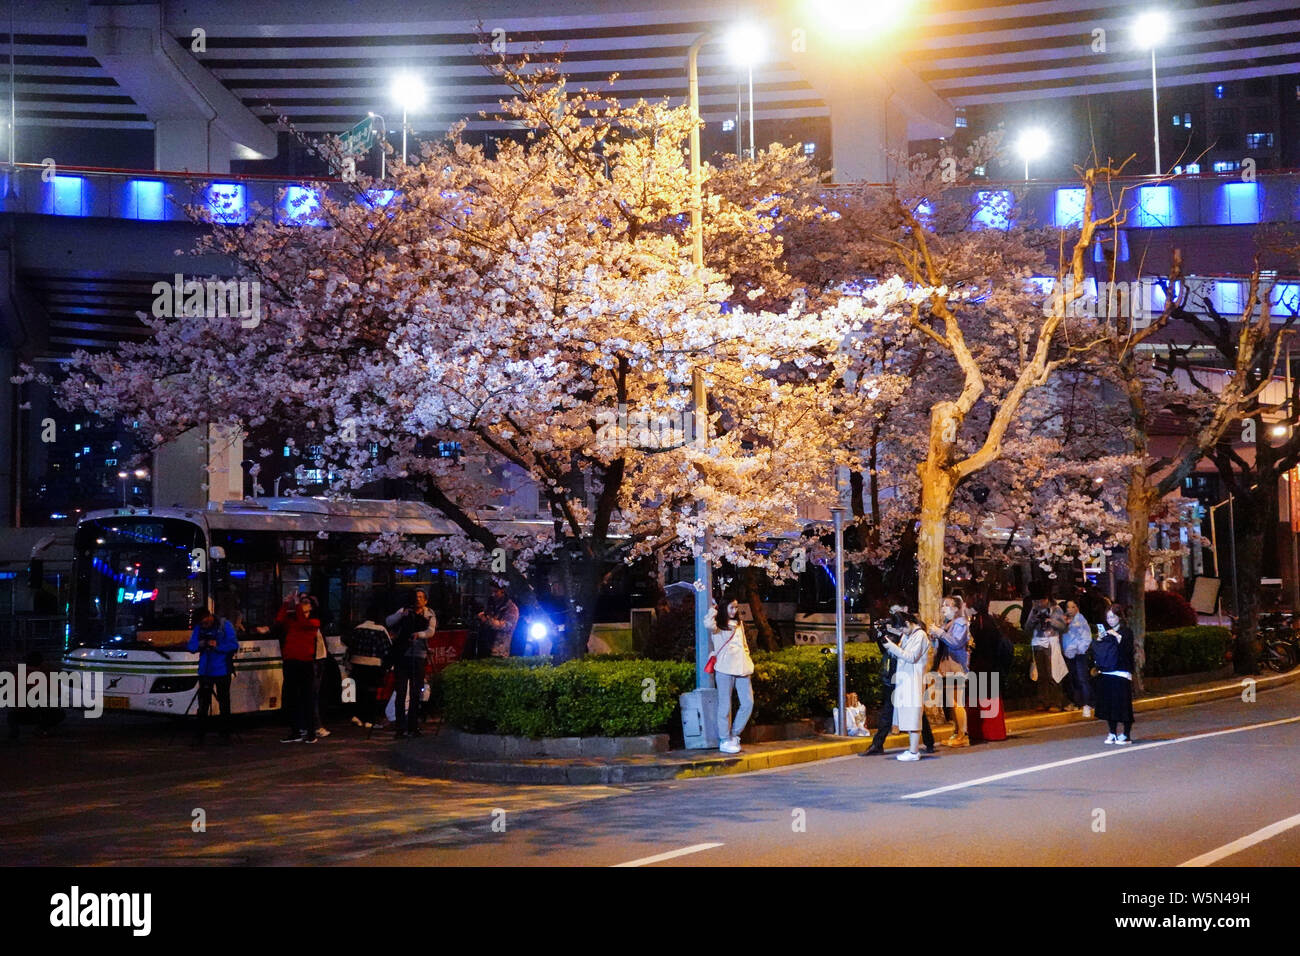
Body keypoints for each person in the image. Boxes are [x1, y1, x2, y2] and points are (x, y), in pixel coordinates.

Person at [867, 605, 935, 755]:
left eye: (902, 629)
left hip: (913, 679)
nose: (901, 632)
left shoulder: (920, 635)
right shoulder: (909, 634)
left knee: (914, 716)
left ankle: (913, 751)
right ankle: (915, 749)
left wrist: (891, 646)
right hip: (904, 678)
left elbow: (910, 657)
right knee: (913, 715)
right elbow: (898, 652)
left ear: (908, 622)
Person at [706, 596, 754, 754]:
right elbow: (707, 624)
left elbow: (744, 645)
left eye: (736, 607)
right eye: (731, 607)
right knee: (725, 707)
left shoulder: (739, 624)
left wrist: (747, 658)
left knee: (748, 703)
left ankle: (734, 734)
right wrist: (713, 611)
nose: (735, 610)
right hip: (725, 669)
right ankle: (724, 739)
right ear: (724, 608)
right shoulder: (718, 626)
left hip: (742, 668)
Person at [387, 590, 436, 738]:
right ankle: (400, 728)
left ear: (426, 601)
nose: (418, 600)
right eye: (416, 597)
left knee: (416, 693)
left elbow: (431, 631)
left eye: (421, 597)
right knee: (401, 692)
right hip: (402, 655)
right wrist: (402, 614)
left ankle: (413, 726)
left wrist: (419, 635)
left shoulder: (429, 614)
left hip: (418, 656)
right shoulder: (405, 611)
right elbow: (389, 621)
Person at [188, 608, 239, 744]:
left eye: (205, 623)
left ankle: (225, 734)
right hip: (205, 671)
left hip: (222, 670)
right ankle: (200, 735)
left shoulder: (225, 625)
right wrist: (203, 643)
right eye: (202, 624)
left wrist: (217, 646)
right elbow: (191, 646)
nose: (204, 626)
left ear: (209, 616)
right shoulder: (199, 628)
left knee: (224, 703)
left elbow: (233, 645)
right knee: (203, 705)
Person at [276, 593, 322, 743]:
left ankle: (310, 732)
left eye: (306, 602)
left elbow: (303, 622)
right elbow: (279, 621)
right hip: (291, 662)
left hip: (305, 663)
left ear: (312, 607)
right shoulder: (293, 621)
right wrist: (285, 603)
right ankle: (295, 731)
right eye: (301, 602)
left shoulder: (314, 622)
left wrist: (295, 605)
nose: (302, 604)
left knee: (307, 698)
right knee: (292, 698)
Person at [930, 594, 971, 747]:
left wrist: (939, 633)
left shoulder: (960, 623)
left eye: (946, 605)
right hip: (946, 667)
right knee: (951, 702)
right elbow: (940, 646)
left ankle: (963, 735)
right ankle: (957, 732)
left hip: (956, 667)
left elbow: (955, 643)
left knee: (956, 702)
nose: (943, 608)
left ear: (955, 608)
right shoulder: (948, 623)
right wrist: (935, 637)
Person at [343, 603, 392, 730]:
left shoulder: (358, 628)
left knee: (358, 691)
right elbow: (387, 650)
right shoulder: (381, 630)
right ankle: (369, 720)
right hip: (374, 665)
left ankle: (356, 716)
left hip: (357, 664)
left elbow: (350, 645)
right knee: (371, 692)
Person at [965, 599, 1008, 742]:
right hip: (992, 665)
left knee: (981, 699)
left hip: (981, 665)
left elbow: (976, 646)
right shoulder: (990, 621)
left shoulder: (978, 624)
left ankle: (984, 732)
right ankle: (995, 732)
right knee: (990, 698)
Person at [1093, 604, 1136, 744]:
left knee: (1122, 705)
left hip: (1122, 673)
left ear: (1119, 617)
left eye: (1113, 617)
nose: (1110, 620)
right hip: (1107, 672)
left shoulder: (1126, 632)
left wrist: (1117, 636)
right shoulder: (1107, 631)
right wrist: (1100, 639)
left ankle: (1126, 734)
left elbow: (1128, 649)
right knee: (1109, 704)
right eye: (1108, 617)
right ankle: (1112, 732)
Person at [1025, 592, 1067, 711]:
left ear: (1046, 599)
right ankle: (1043, 701)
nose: (1037, 604)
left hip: (1051, 644)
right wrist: (1034, 620)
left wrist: (1051, 621)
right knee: (1041, 675)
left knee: (1052, 674)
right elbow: (1027, 628)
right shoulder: (1034, 610)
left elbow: (1063, 627)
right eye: (1035, 601)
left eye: (1039, 601)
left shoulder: (1056, 609)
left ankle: (1056, 702)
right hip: (1038, 644)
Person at [1062, 599, 1094, 717]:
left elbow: (1086, 638)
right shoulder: (1066, 621)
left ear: (1077, 608)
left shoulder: (1081, 620)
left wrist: (1078, 649)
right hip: (1069, 654)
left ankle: (1087, 702)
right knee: (1073, 679)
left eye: (1073, 607)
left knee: (1082, 679)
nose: (1070, 609)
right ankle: (1077, 702)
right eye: (1068, 607)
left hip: (1079, 654)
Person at [477, 584, 519, 658]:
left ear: (503, 591)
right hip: (487, 647)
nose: (493, 594)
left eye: (496, 591)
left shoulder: (511, 608)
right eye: (492, 592)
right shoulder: (492, 605)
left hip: (501, 650)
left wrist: (488, 621)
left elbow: (506, 626)